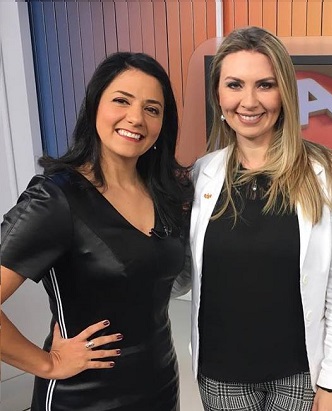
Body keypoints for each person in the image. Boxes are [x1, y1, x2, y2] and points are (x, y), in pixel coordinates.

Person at [1, 52, 193, 411]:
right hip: (84, 396)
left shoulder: (168, 194)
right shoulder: (56, 198)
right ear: (94, 107)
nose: (136, 118)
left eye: (152, 109)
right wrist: (48, 364)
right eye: (121, 100)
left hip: (160, 386)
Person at [188, 26, 332, 411]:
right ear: (218, 94)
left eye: (265, 85)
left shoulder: (329, 171)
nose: (249, 101)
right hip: (221, 374)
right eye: (234, 85)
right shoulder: (201, 174)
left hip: (301, 375)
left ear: (284, 92)